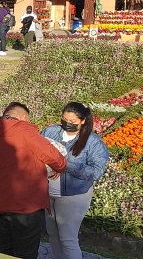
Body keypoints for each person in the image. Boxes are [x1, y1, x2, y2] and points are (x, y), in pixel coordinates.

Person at [0, 102, 67, 259]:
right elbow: (55, 158)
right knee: (26, 252)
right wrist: (57, 169)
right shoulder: (23, 129)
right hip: (26, 205)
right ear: (23, 118)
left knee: (5, 249)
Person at [41, 102, 109, 259]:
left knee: (68, 239)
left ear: (83, 121)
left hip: (73, 196)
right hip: (47, 192)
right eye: (64, 119)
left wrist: (64, 165)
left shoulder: (93, 142)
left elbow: (95, 172)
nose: (67, 123)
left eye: (72, 121)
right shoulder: (50, 132)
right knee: (52, 234)